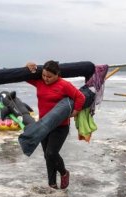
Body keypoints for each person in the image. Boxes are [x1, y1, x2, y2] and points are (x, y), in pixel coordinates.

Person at [26, 60, 85, 189]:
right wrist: (27, 67)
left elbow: (80, 97)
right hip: (43, 125)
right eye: (44, 75)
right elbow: (26, 76)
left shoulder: (64, 85)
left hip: (60, 126)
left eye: (49, 77)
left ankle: (64, 173)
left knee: (51, 153)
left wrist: (75, 111)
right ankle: (52, 184)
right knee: (47, 156)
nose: (46, 79)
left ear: (57, 74)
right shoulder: (39, 82)